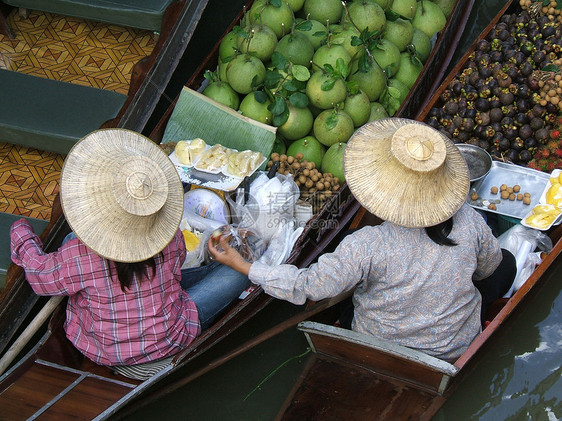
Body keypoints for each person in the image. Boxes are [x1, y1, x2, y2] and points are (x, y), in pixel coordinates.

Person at [209, 118, 516, 362]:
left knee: (352, 290)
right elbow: (489, 269)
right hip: (451, 345)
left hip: (379, 342)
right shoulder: (469, 220)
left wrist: (243, 265)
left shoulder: (367, 244)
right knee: (507, 265)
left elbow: (309, 286)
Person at [10, 128, 249, 379]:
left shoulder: (80, 255)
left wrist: (21, 231)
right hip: (167, 340)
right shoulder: (171, 238)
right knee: (240, 272)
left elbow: (39, 276)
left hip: (102, 350)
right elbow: (175, 270)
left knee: (71, 241)